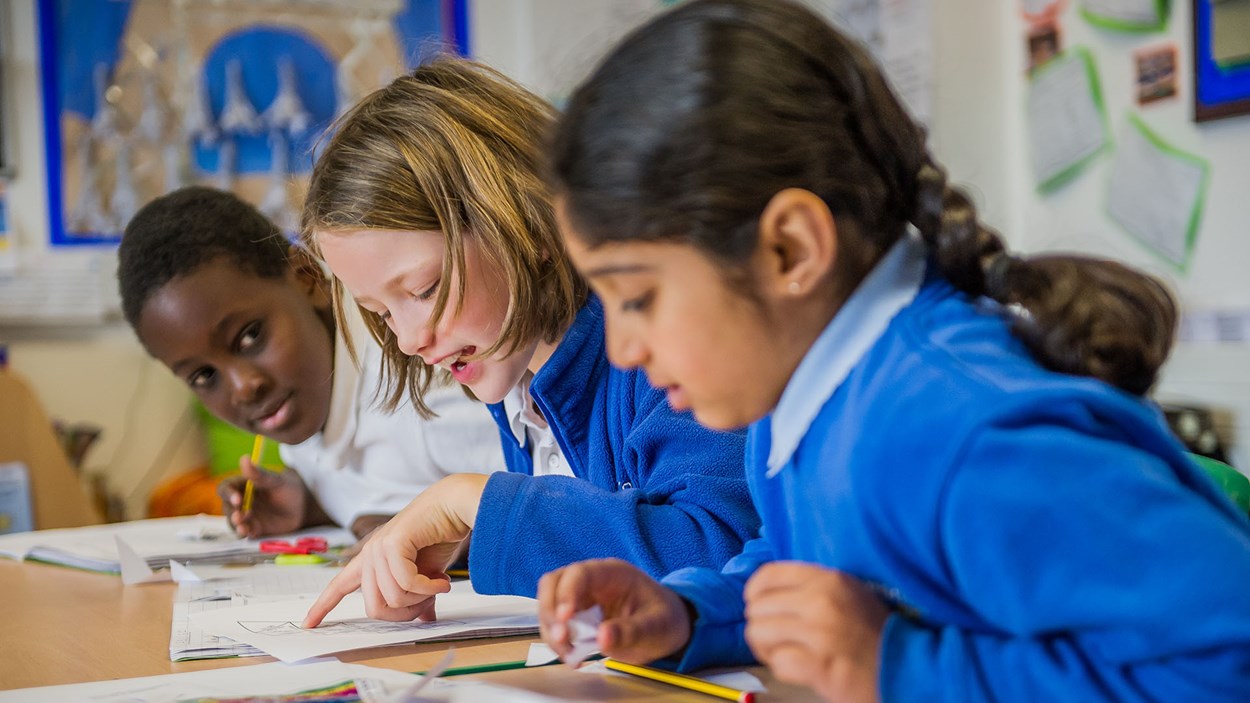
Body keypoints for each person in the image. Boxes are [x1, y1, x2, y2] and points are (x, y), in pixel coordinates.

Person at [536, 1, 1250, 701]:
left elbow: (1225, 663)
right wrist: (688, 611)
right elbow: (806, 574)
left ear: (792, 250)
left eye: (636, 298)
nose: (623, 349)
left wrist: (898, 666)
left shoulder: (959, 432)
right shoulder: (813, 402)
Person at [299, 57, 758, 625]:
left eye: (425, 287)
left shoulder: (659, 344)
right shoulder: (515, 378)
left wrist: (479, 505)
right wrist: (471, 539)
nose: (412, 339)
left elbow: (725, 551)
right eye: (381, 313)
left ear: (526, 224)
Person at [118, 186, 505, 541]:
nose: (243, 386)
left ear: (307, 279)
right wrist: (312, 507)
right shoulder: (304, 395)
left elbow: (555, 511)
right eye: (204, 375)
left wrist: (431, 539)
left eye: (250, 336)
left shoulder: (427, 384)